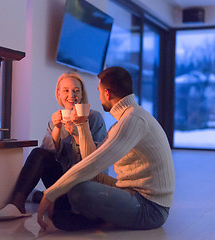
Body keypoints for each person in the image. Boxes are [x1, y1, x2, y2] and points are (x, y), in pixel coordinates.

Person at [37, 66, 175, 231]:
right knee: (81, 183)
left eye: (99, 91)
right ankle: (92, 218)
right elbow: (93, 158)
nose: (99, 96)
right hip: (130, 190)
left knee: (79, 191)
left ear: (107, 94)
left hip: (150, 209)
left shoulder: (132, 121)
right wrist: (82, 124)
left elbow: (94, 164)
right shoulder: (127, 118)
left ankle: (97, 222)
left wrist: (50, 194)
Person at [0, 71, 107, 220]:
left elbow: (97, 159)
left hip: (85, 182)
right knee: (38, 152)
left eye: (76, 91)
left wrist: (78, 133)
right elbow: (45, 155)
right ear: (59, 94)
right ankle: (17, 204)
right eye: (66, 90)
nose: (71, 95)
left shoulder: (94, 118)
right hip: (61, 181)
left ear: (81, 95)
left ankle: (38, 196)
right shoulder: (55, 120)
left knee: (62, 215)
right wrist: (57, 129)